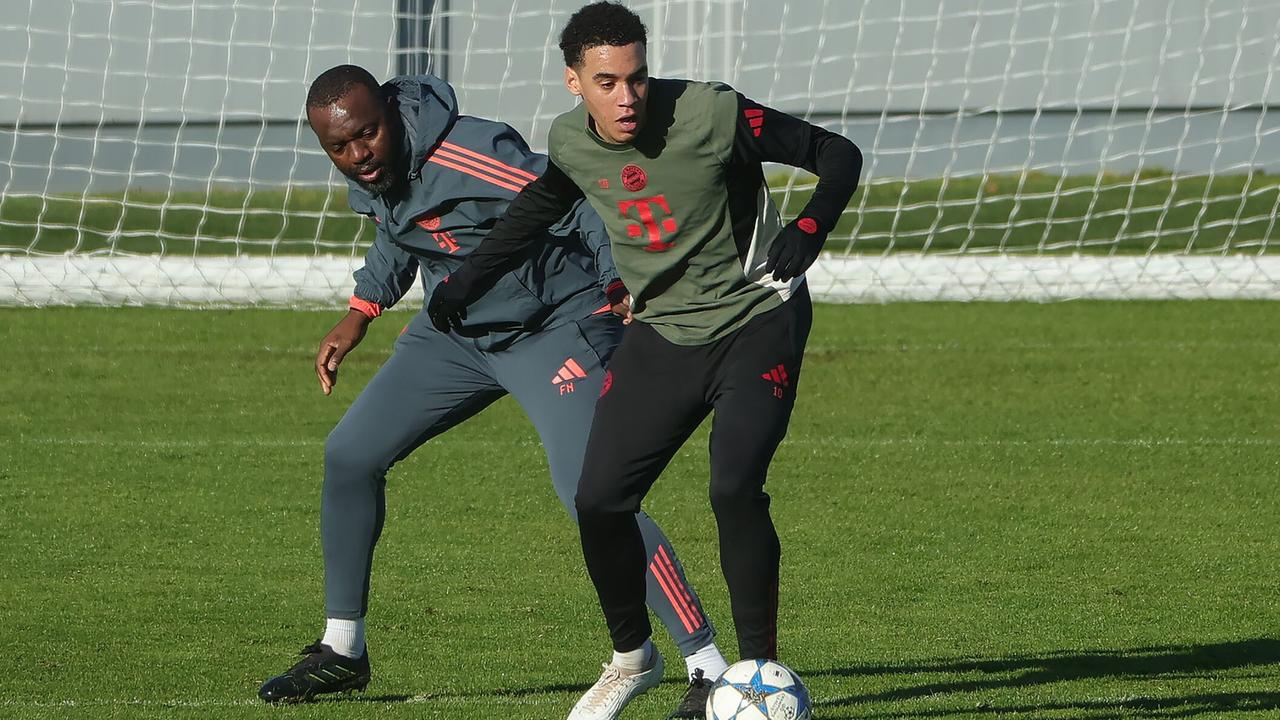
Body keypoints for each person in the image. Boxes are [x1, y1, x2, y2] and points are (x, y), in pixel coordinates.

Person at [427, 3, 864, 719]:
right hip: (664, 330)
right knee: (599, 501)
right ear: (574, 82)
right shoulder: (571, 141)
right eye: (607, 82)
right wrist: (468, 279)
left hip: (759, 319)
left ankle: (755, 674)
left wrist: (811, 228)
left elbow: (836, 153)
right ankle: (633, 657)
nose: (627, 96)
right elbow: (539, 207)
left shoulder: (712, 113)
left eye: (636, 77)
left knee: (734, 488)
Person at [256, 63, 728, 707]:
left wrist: (618, 281)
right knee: (349, 455)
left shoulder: (471, 151)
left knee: (594, 496)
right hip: (455, 336)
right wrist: (361, 310)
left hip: (554, 326)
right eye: (339, 146)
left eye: (367, 134)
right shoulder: (376, 171)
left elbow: (574, 198)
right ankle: (343, 649)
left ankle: (707, 665)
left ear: (389, 112)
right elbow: (400, 232)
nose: (358, 153)